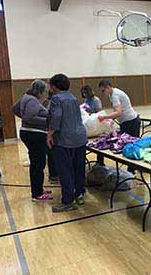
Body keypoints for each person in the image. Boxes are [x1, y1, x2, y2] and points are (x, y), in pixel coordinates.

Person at [47, 74, 87, 213]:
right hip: (80, 137)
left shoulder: (56, 98)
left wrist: (50, 134)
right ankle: (79, 194)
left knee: (65, 170)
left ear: (54, 86)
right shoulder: (73, 97)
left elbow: (57, 117)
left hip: (64, 139)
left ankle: (68, 201)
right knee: (78, 168)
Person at [12, 80, 53, 202]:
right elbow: (29, 117)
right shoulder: (32, 100)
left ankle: (38, 189)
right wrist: (47, 121)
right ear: (39, 91)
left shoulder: (26, 97)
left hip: (29, 132)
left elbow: (15, 109)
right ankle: (37, 194)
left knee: (37, 163)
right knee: (38, 164)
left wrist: (24, 118)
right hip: (35, 134)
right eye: (44, 91)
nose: (45, 93)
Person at [97, 80, 140, 172]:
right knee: (127, 144)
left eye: (103, 90)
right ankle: (132, 168)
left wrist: (105, 117)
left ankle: (132, 169)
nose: (103, 93)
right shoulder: (113, 94)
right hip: (127, 122)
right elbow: (117, 110)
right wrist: (112, 119)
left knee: (131, 145)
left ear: (108, 88)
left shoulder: (115, 95)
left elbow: (118, 112)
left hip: (131, 122)